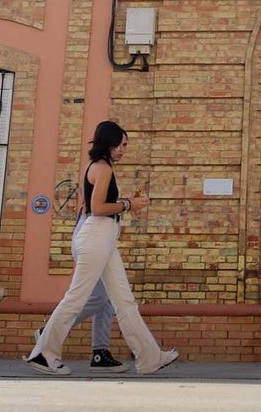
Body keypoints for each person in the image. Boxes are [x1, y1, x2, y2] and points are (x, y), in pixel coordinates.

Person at [26, 120, 179, 376]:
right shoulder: (103, 169)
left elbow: (93, 205)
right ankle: (43, 353)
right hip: (97, 235)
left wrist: (124, 204)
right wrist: (130, 204)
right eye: (120, 144)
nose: (123, 149)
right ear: (108, 143)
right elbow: (97, 208)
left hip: (103, 238)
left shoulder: (97, 166)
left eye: (125, 145)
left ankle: (149, 357)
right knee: (76, 298)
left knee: (124, 300)